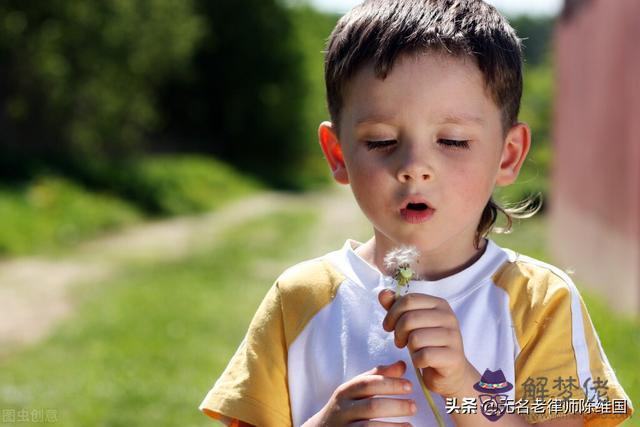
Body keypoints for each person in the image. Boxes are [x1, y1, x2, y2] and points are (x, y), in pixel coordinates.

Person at [199, 1, 634, 425]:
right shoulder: (298, 300)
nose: (413, 168)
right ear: (337, 154)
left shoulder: (540, 302)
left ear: (508, 155)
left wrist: (467, 386)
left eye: (453, 141)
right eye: (381, 141)